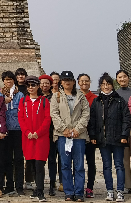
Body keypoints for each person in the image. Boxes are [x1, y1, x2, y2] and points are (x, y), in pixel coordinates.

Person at [89, 73, 131, 202]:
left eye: (108, 84)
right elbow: (92, 120)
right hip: (103, 139)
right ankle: (109, 191)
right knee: (106, 166)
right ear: (100, 86)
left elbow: (126, 119)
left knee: (119, 165)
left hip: (118, 138)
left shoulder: (119, 100)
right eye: (103, 84)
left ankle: (120, 191)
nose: (106, 86)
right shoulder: (97, 101)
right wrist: (93, 135)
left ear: (112, 85)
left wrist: (124, 134)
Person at [50, 71, 90, 202]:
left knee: (79, 165)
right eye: (64, 80)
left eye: (69, 80)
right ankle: (68, 192)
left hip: (79, 135)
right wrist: (64, 129)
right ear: (61, 82)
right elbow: (54, 114)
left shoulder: (81, 96)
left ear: (74, 82)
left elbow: (86, 114)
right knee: (65, 165)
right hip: (63, 136)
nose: (67, 82)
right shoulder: (56, 96)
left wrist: (78, 129)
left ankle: (79, 192)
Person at [19, 76, 52, 202]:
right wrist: (27, 132)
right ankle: (36, 189)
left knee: (39, 165)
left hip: (40, 138)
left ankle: (40, 190)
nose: (30, 87)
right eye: (28, 85)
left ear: (38, 86)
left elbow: (47, 119)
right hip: (28, 138)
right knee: (31, 164)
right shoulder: (23, 101)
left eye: (33, 85)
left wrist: (38, 133)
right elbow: (21, 118)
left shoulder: (44, 101)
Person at [1, 71, 25, 196]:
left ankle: (19, 185)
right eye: (6, 79)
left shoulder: (20, 95)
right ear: (3, 81)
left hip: (18, 130)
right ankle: (9, 184)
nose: (8, 81)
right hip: (5, 130)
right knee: (7, 159)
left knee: (19, 159)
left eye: (10, 79)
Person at [78, 73, 98, 199]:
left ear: (90, 82)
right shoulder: (75, 97)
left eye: (86, 81)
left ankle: (90, 187)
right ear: (78, 83)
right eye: (82, 81)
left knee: (91, 162)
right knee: (77, 163)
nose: (84, 83)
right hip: (78, 134)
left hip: (91, 135)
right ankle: (78, 186)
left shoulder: (95, 98)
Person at [40, 73, 60, 196]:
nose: (44, 85)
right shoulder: (36, 97)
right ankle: (39, 183)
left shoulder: (56, 97)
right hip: (39, 132)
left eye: (47, 83)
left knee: (52, 159)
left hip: (52, 131)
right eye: (42, 83)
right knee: (39, 160)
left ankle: (52, 184)